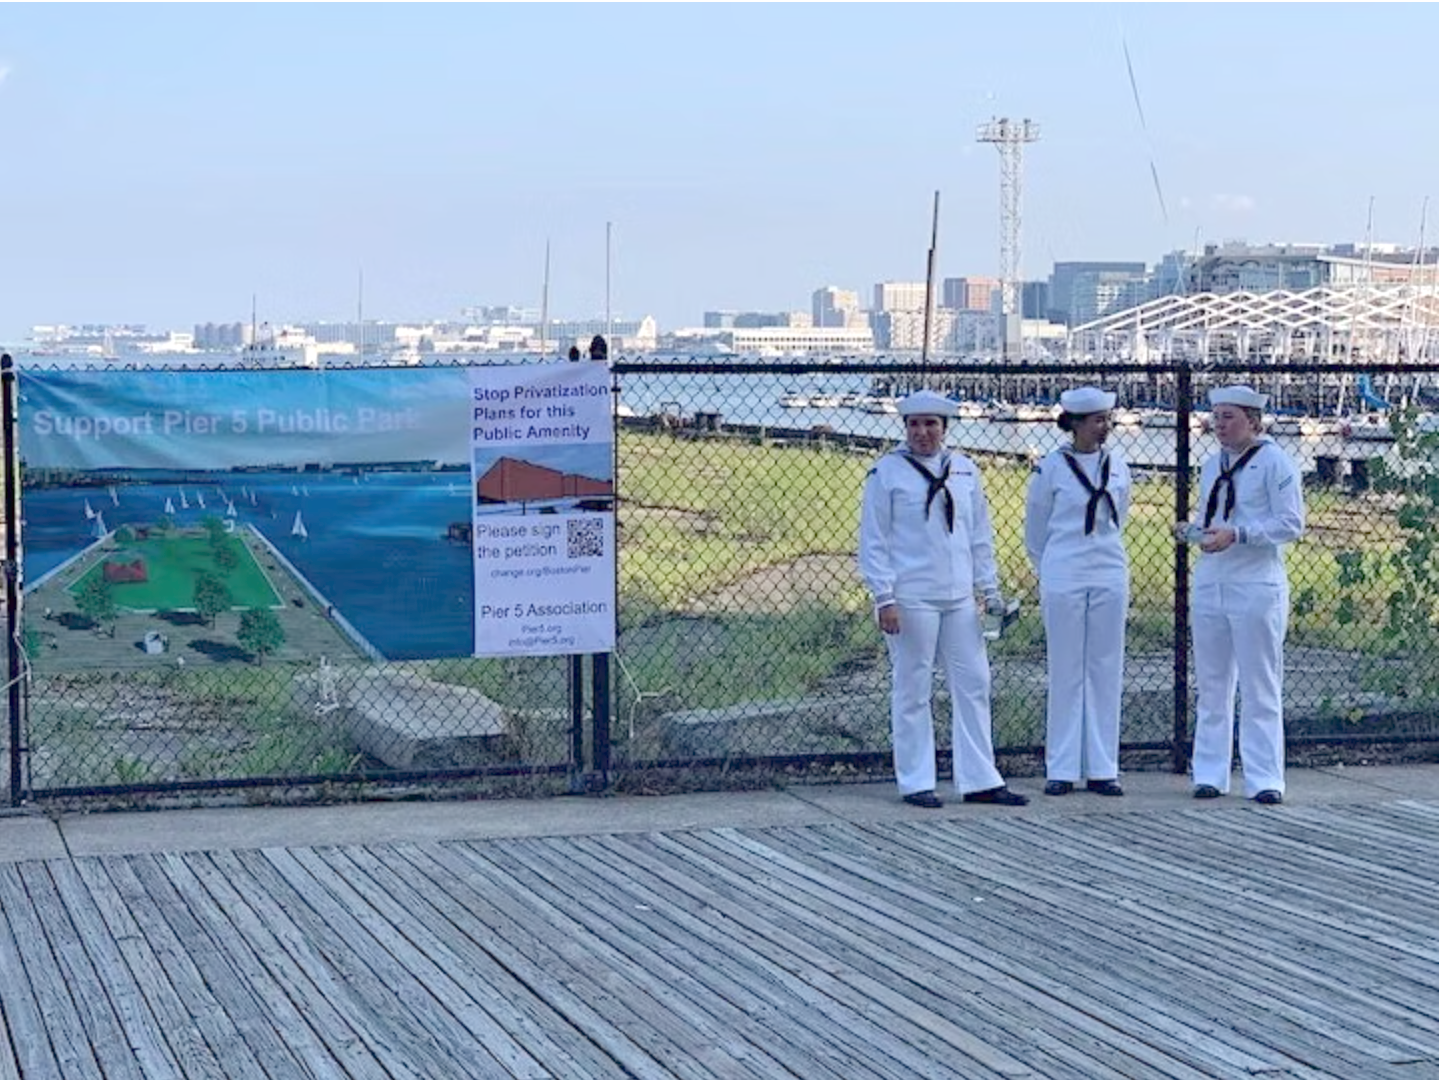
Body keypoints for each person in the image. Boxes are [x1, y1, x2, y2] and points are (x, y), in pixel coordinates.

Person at [858, 389, 1029, 809]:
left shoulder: (965, 470)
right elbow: (874, 540)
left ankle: (980, 778)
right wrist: (884, 597)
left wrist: (989, 590)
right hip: (911, 594)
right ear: (905, 429)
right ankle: (916, 780)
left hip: (958, 597)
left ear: (944, 428)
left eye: (931, 424)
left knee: (974, 683)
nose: (922, 433)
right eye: (915, 424)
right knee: (913, 686)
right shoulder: (887, 473)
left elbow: (979, 537)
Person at [1174, 385, 1304, 805]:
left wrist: (1241, 534)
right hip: (1214, 580)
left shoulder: (1274, 463)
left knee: (1260, 682)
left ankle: (1265, 777)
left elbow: (1290, 523)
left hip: (1255, 584)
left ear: (1253, 420)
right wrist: (1195, 531)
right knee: (1213, 682)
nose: (1219, 424)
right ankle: (1210, 772)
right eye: (1216, 416)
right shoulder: (1213, 466)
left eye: (1229, 416)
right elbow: (1214, 515)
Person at [1024, 386, 1131, 797]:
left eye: (1107, 419)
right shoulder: (1051, 468)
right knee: (1067, 668)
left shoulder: (1118, 464)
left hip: (1108, 568)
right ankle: (1062, 766)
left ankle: (1104, 767)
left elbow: (1119, 516)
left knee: (1106, 667)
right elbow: (1037, 526)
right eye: (1096, 421)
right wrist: (1049, 568)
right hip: (1065, 569)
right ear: (1074, 424)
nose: (1104, 428)